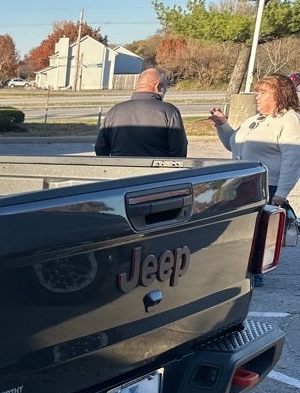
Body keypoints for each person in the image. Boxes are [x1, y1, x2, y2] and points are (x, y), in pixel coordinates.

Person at [209, 73, 300, 286]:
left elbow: (293, 159)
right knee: (242, 235)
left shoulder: (290, 120)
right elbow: (234, 145)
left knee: (256, 237)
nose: (256, 97)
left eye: (262, 93)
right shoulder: (256, 120)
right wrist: (222, 124)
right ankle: (240, 276)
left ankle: (251, 281)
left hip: (267, 186)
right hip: (242, 184)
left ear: (278, 95)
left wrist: (280, 194)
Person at [95, 67, 188, 158]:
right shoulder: (169, 112)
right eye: (165, 87)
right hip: (157, 171)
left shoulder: (114, 111)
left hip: (120, 170)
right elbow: (179, 152)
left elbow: (101, 148)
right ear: (158, 86)